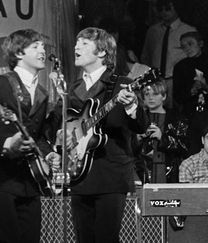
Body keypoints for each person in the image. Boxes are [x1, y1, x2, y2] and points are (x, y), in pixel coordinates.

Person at [0, 29, 60, 243]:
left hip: (29, 179)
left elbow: (36, 135)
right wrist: (5, 143)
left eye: (43, 47)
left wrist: (47, 154)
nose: (42, 51)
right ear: (19, 53)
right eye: (35, 46)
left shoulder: (42, 93)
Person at [60, 27, 146, 243]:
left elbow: (142, 125)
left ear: (101, 52)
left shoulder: (122, 84)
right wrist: (65, 136)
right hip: (79, 171)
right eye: (77, 42)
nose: (76, 46)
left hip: (110, 174)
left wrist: (132, 106)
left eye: (84, 43)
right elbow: (67, 124)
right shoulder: (73, 89)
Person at [140, 0, 196, 108]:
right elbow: (146, 55)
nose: (164, 12)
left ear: (176, 8)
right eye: (161, 9)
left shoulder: (188, 30)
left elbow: (194, 58)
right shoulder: (153, 31)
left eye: (168, 8)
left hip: (176, 80)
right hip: (155, 81)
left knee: (176, 112)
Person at [133, 82, 188, 183]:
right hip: (142, 172)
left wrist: (162, 138)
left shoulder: (176, 119)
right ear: (143, 98)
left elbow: (184, 147)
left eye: (155, 94)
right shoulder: (136, 119)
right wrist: (137, 139)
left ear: (164, 96)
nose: (150, 98)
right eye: (147, 94)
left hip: (168, 172)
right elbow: (125, 148)